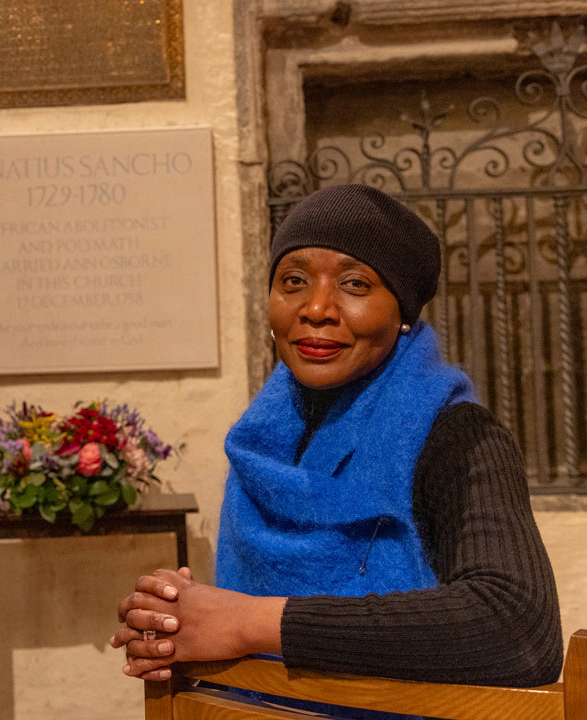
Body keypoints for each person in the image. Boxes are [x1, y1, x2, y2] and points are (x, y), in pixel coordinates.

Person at [112, 184, 563, 688]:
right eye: (294, 280)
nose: (317, 308)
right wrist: (174, 621)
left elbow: (518, 629)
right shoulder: (260, 447)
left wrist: (247, 623)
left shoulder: (455, 437)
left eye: (354, 284)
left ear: (404, 313)